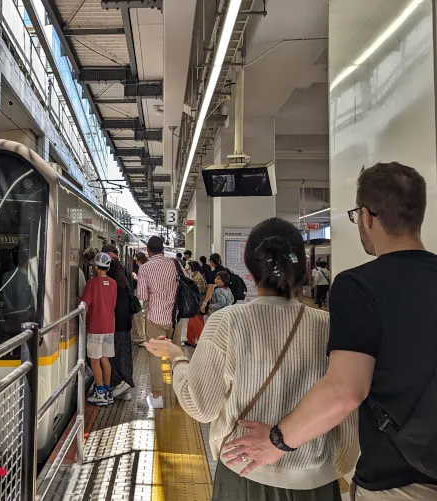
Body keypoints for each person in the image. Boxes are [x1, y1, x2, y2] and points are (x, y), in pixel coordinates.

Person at [223, 163, 437, 500]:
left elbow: (346, 390)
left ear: (367, 217)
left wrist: (277, 441)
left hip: (398, 483)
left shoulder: (359, 285)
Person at [145, 217, 358, 501]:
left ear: (248, 268)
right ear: (300, 267)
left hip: (244, 475)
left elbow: (202, 407)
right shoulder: (330, 325)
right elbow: (347, 407)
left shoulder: (227, 322)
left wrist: (177, 358)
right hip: (316, 482)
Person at [81, 252, 117, 406]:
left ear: (95, 266)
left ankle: (100, 392)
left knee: (94, 360)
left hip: (96, 326)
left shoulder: (92, 283)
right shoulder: (113, 283)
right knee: (105, 359)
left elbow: (84, 305)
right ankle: (107, 391)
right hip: (110, 325)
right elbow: (113, 304)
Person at [136, 236, 178, 342]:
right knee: (174, 354)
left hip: (155, 318)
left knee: (156, 355)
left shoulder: (144, 268)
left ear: (148, 250)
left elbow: (142, 295)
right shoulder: (175, 264)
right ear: (162, 249)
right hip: (175, 317)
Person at [105, 252, 135, 401]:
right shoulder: (123, 280)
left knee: (112, 356)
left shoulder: (110, 282)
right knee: (124, 356)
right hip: (126, 324)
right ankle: (125, 389)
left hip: (114, 324)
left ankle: (118, 383)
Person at [185, 261, 207, 347]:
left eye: (189, 268)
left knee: (197, 323)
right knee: (191, 322)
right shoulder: (196, 275)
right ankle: (190, 340)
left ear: (193, 268)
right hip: (195, 302)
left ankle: (202, 342)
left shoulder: (197, 277)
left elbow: (197, 291)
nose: (188, 269)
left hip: (197, 303)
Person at [131, 252, 149, 344]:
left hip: (141, 295)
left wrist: (135, 277)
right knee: (140, 316)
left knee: (139, 316)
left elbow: (143, 282)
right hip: (144, 295)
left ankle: (141, 337)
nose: (136, 262)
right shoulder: (147, 266)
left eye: (136, 260)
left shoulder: (143, 268)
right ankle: (139, 336)